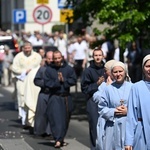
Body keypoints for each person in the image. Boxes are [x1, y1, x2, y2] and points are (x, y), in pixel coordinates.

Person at [44, 50, 77, 148]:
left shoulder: (68, 69)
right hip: (55, 96)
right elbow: (47, 83)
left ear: (62, 57)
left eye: (59, 58)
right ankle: (57, 139)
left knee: (65, 120)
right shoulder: (49, 69)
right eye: (55, 58)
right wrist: (57, 82)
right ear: (53, 59)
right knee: (55, 119)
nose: (57, 60)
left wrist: (64, 80)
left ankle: (61, 138)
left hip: (66, 97)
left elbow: (73, 80)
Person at [98, 61, 132, 150]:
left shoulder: (133, 87)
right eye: (115, 72)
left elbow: (138, 107)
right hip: (112, 125)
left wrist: (128, 111)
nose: (118, 74)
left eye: (120, 71)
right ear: (112, 74)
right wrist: (113, 111)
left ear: (125, 72)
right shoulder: (108, 89)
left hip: (128, 125)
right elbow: (101, 108)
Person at [11, 41, 42, 127]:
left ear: (31, 48)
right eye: (26, 48)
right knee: (22, 98)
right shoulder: (18, 57)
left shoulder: (37, 56)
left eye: (29, 48)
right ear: (23, 48)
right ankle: (24, 120)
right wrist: (24, 71)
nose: (27, 50)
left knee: (33, 98)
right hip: (22, 80)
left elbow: (41, 66)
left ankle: (33, 119)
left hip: (34, 81)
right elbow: (14, 68)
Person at [81, 47, 105, 150]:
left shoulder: (106, 69)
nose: (98, 57)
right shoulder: (88, 71)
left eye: (100, 55)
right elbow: (84, 89)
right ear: (93, 57)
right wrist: (96, 84)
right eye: (96, 55)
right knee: (95, 126)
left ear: (103, 56)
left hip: (105, 101)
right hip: (92, 101)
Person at [125, 54, 150, 150]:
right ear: (143, 69)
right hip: (141, 133)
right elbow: (131, 116)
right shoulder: (136, 87)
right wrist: (128, 141)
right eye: (147, 66)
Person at [93, 59, 117, 150]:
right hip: (106, 119)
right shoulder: (104, 84)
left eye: (106, 70)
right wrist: (107, 88)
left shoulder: (128, 84)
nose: (104, 72)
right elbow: (96, 97)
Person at [34, 51, 53, 136]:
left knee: (53, 113)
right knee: (41, 113)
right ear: (46, 59)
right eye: (49, 58)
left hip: (54, 94)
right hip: (44, 92)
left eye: (52, 58)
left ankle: (51, 131)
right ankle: (41, 131)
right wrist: (45, 83)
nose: (51, 60)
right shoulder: (42, 69)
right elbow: (36, 80)